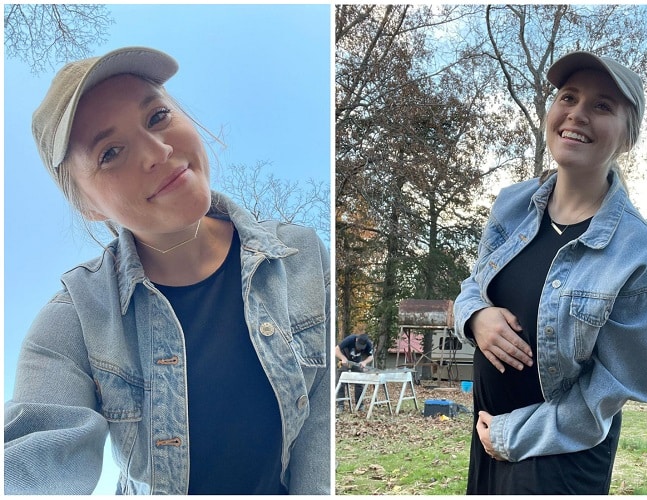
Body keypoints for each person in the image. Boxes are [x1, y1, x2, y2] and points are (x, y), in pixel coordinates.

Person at [3, 47, 330, 495]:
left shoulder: (302, 255)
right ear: (87, 205)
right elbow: (33, 463)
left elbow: (320, 442)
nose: (158, 151)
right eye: (111, 151)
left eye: (157, 117)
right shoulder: (72, 321)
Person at [454, 51, 647, 495]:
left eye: (602, 105)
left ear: (628, 138)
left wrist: (516, 435)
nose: (577, 114)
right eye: (568, 97)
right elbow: (474, 285)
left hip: (558, 459)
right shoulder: (511, 204)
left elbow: (626, 380)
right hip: (487, 440)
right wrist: (475, 317)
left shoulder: (637, 249)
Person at [335, 333, 374, 410]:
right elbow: (336, 350)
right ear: (356, 340)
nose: (359, 348)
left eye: (361, 347)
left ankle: (359, 405)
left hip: (357, 363)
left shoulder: (368, 344)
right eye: (358, 346)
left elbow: (371, 356)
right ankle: (340, 405)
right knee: (340, 382)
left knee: (359, 382)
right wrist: (343, 358)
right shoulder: (350, 339)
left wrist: (364, 362)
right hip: (345, 361)